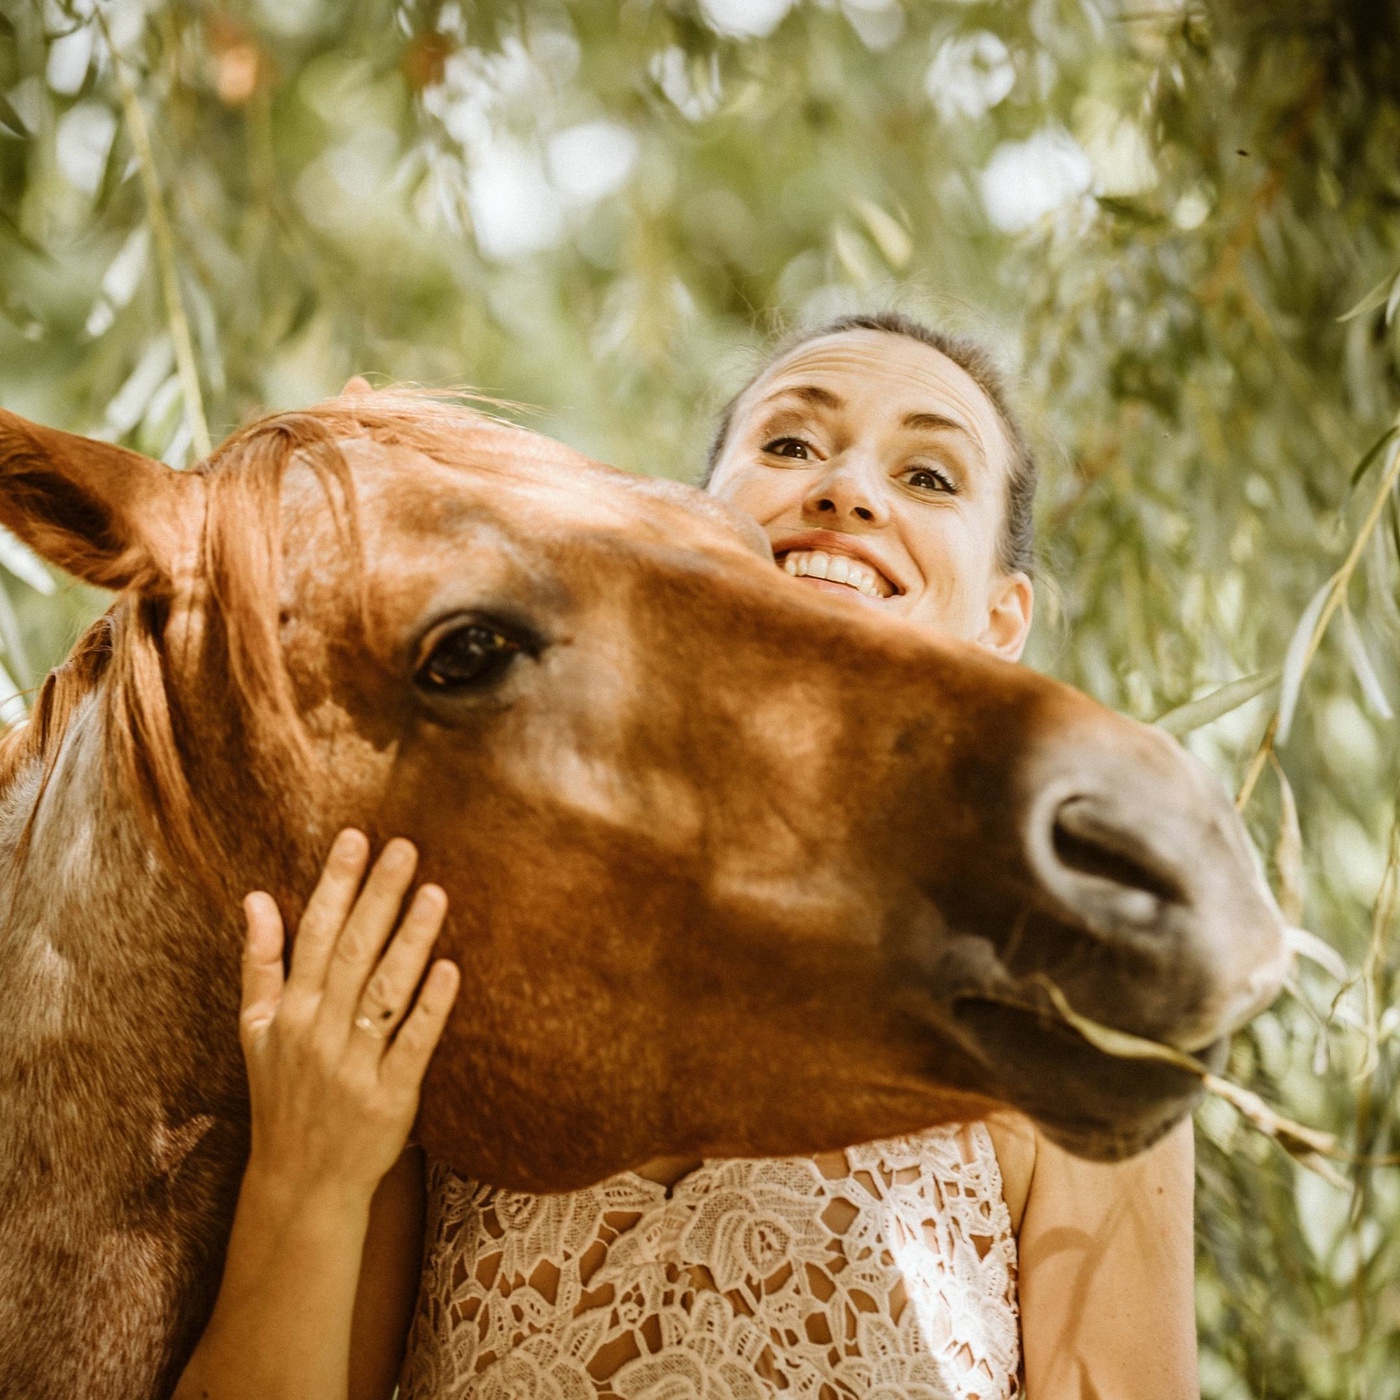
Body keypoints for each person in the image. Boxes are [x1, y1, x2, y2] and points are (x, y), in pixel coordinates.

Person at [174, 313, 1198, 1400]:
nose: (846, 491)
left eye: (929, 475)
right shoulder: (459, 925)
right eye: (791, 445)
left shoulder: (1078, 1010)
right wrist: (306, 1175)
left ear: (1003, 620)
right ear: (683, 539)